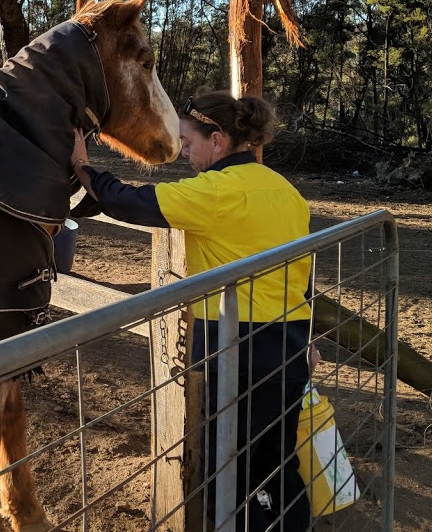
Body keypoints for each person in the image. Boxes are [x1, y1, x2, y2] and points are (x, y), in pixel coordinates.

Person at [70, 90, 312, 532]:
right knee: (279, 462)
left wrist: (83, 168)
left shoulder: (216, 192)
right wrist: (309, 342)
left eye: (187, 141)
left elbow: (133, 202)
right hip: (290, 344)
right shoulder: (286, 192)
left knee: (232, 469)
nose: (183, 151)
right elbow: (303, 273)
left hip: (235, 349)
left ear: (217, 141)